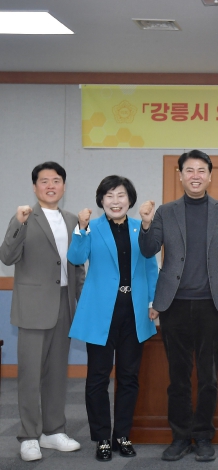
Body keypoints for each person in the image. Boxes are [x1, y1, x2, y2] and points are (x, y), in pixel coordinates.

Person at [138, 150, 218, 462]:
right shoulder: (165, 212)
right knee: (178, 376)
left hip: (211, 304)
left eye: (201, 170)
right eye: (189, 170)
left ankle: (204, 436)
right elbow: (148, 250)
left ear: (210, 176)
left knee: (209, 377)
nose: (195, 176)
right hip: (175, 305)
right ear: (180, 175)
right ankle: (180, 436)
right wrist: (145, 224)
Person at [67, 176, 159, 461]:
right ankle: (101, 438)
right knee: (98, 378)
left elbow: (151, 267)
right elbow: (75, 257)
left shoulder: (141, 227)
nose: (115, 201)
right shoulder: (91, 227)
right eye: (109, 196)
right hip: (101, 313)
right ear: (101, 201)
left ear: (129, 200)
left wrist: (153, 301)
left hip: (135, 312)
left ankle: (122, 435)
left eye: (121, 195)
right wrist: (80, 229)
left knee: (129, 377)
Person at [0, 162, 85, 462]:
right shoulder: (25, 217)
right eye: (44, 181)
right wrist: (17, 223)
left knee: (57, 374)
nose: (51, 185)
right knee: (30, 375)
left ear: (64, 186)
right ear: (35, 186)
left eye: (56, 180)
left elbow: (76, 265)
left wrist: (82, 303)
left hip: (64, 303)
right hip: (33, 307)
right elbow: (7, 256)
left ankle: (53, 430)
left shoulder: (72, 219)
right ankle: (28, 435)